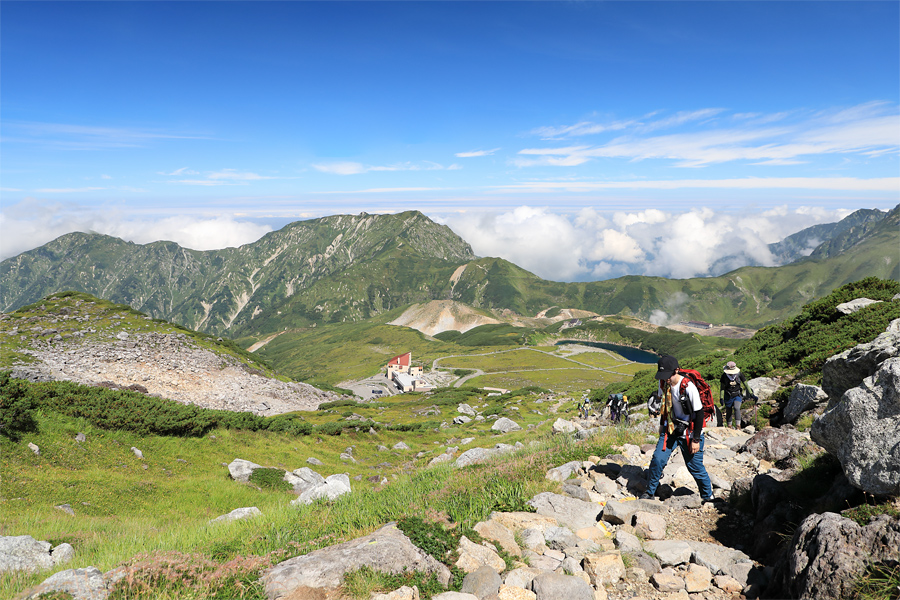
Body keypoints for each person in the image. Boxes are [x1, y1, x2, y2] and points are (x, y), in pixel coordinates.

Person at [640, 355, 716, 503]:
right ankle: (650, 492)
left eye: (667, 375)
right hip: (671, 428)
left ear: (676, 370)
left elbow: (699, 414)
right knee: (658, 459)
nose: (665, 378)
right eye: (663, 375)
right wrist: (662, 427)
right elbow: (665, 407)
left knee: (695, 467)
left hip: (690, 432)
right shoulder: (664, 383)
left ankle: (708, 496)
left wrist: (695, 439)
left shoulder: (688, 386)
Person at [720, 360, 754, 429]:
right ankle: (729, 426)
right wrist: (721, 398)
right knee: (728, 410)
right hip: (728, 396)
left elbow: (746, 384)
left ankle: (738, 426)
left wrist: (751, 394)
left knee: (736, 408)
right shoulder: (724, 376)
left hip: (737, 395)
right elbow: (722, 388)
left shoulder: (739, 374)